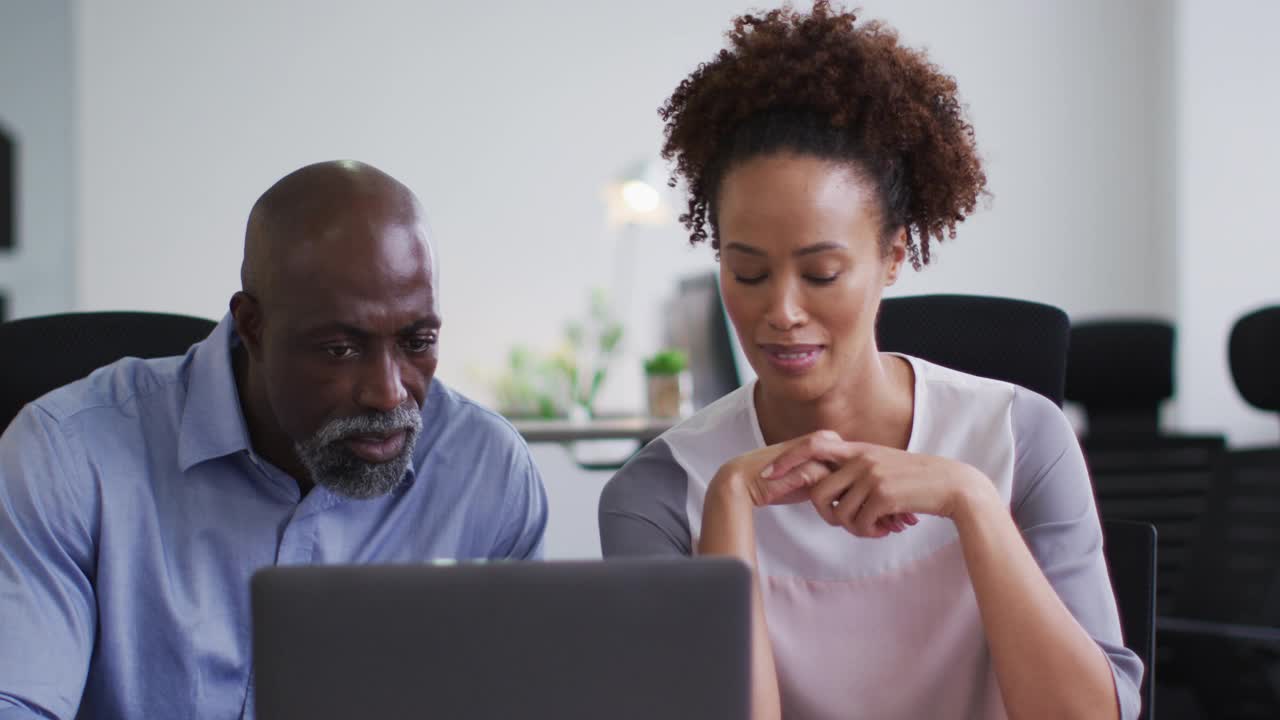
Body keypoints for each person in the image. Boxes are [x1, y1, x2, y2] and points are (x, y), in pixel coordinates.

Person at [598, 4, 1142, 719]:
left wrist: (971, 500)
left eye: (821, 273)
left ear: (891, 258)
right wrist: (729, 504)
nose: (781, 311)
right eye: (749, 273)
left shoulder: (1023, 441)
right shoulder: (659, 495)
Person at [0, 160, 547, 719]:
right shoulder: (67, 457)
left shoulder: (486, 472)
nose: (389, 394)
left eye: (418, 341)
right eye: (340, 348)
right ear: (252, 326)